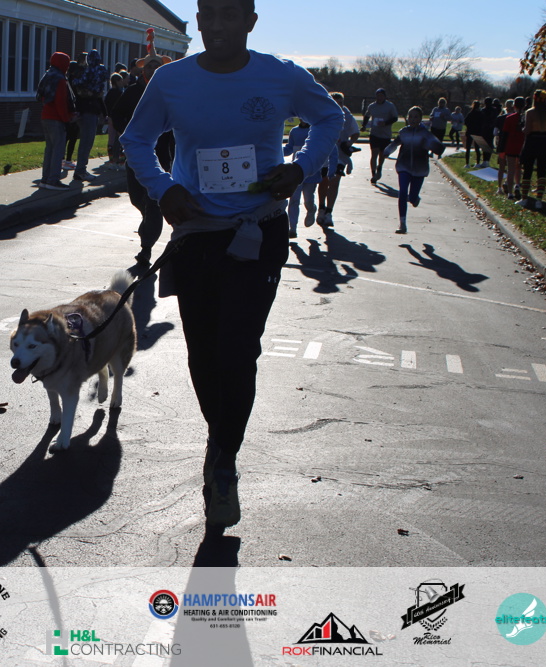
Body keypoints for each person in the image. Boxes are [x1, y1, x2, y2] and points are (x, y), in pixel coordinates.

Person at [120, 0, 342, 528]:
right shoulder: (172, 80)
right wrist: (165, 189)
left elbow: (330, 117)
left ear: (250, 21)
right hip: (196, 234)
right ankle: (220, 437)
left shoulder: (281, 76)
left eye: (229, 14)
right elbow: (136, 139)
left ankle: (224, 460)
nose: (217, 25)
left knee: (239, 349)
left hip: (257, 230)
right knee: (204, 353)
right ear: (198, 20)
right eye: (208, 15)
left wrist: (301, 168)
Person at [110, 48, 174, 264]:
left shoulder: (168, 92)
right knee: (137, 199)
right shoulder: (133, 92)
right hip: (136, 154)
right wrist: (127, 133)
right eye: (149, 66)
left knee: (153, 203)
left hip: (161, 156)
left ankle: (146, 247)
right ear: (143, 70)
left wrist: (174, 156)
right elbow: (116, 113)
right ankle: (146, 221)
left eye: (157, 66)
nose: (152, 69)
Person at [382, 106, 444, 234]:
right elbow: (395, 144)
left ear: (420, 119)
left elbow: (439, 147)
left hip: (419, 169)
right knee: (402, 192)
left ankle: (415, 198)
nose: (413, 119)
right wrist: (386, 151)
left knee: (412, 197)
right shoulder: (403, 132)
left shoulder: (425, 133)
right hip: (404, 167)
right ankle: (402, 224)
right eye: (410, 116)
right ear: (407, 118)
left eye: (416, 117)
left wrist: (433, 146)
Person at [317, 91, 359, 228]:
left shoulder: (347, 116)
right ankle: (321, 208)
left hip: (340, 155)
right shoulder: (323, 115)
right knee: (323, 181)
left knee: (334, 181)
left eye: (340, 103)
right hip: (325, 155)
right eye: (335, 102)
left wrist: (349, 143)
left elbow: (355, 133)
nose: (338, 105)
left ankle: (329, 212)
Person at [38, 51, 76, 190]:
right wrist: (66, 119)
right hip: (56, 118)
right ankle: (53, 180)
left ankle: (45, 178)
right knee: (58, 151)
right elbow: (60, 102)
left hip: (46, 116)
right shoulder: (60, 79)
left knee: (49, 149)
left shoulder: (47, 76)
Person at [69, 49, 108, 182]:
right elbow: (100, 91)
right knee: (87, 141)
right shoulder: (100, 71)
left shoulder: (83, 72)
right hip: (90, 110)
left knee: (84, 141)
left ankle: (80, 169)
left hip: (81, 108)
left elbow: (76, 83)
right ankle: (80, 170)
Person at [517, 89, 546, 210]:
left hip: (532, 141)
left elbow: (527, 130)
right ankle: (539, 200)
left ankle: (524, 198)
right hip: (545, 141)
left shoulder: (530, 112)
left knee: (528, 169)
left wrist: (521, 129)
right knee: (542, 170)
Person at [361, 87, 398, 183]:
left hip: (385, 134)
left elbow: (395, 118)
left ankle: (379, 167)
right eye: (378, 96)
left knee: (382, 155)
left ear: (385, 96)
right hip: (374, 133)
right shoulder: (372, 106)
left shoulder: (390, 106)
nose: (379, 97)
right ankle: (373, 174)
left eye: (381, 96)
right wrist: (364, 125)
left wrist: (385, 123)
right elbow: (367, 116)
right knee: (374, 154)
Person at [500, 97, 526, 201]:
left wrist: (502, 149)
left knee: (510, 170)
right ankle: (517, 186)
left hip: (510, 146)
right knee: (518, 168)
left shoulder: (509, 118)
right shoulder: (526, 118)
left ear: (514, 106)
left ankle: (510, 193)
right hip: (522, 146)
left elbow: (505, 135)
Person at [104, 72, 126, 169]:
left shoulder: (109, 93)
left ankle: (112, 160)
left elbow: (106, 105)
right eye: (121, 80)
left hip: (110, 119)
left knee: (111, 141)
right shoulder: (119, 94)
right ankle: (121, 161)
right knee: (121, 139)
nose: (122, 82)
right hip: (118, 119)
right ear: (117, 81)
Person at [463, 100, 484, 168]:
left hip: (470, 132)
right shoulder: (481, 114)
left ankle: (467, 164)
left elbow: (465, 122)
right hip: (478, 132)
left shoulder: (470, 113)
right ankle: (478, 163)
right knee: (477, 149)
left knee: (468, 148)